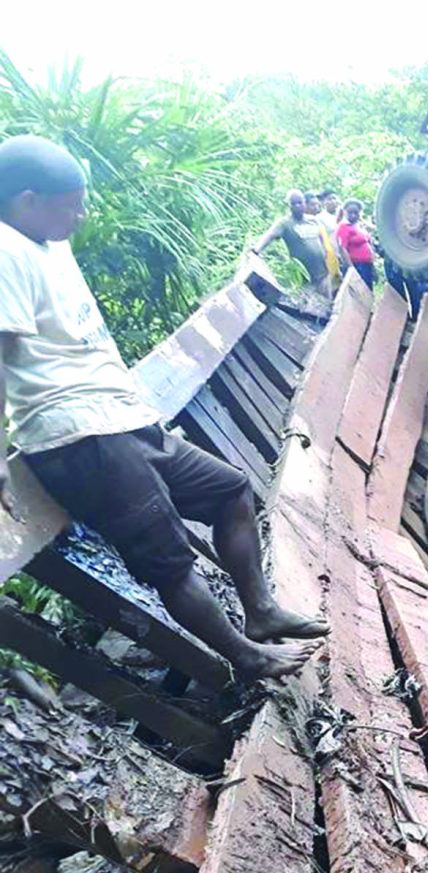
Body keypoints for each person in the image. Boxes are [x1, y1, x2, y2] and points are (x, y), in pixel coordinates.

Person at [0, 135, 326, 682]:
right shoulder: (6, 251)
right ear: (26, 201)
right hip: (79, 437)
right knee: (170, 562)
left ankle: (262, 613)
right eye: (70, 203)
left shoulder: (46, 242)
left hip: (123, 420)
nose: (82, 214)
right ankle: (245, 657)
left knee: (230, 492)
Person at [252, 190, 339, 294]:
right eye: (293, 203)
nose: (297, 206)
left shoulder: (313, 220)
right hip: (304, 277)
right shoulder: (284, 223)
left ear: (304, 203)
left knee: (327, 302)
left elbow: (324, 241)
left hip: (323, 273)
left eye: (300, 202)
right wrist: (256, 250)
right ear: (288, 205)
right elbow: (269, 235)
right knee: (312, 306)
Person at [335, 200, 376, 290]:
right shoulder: (343, 227)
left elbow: (368, 242)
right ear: (345, 212)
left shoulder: (359, 226)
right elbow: (342, 248)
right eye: (350, 212)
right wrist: (351, 268)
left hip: (366, 264)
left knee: (368, 291)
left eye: (356, 213)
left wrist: (372, 260)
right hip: (357, 265)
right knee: (360, 292)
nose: (353, 215)